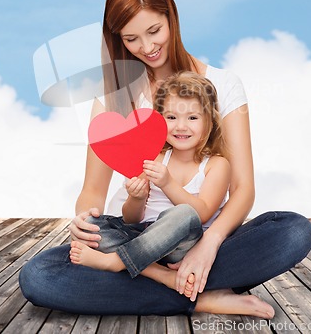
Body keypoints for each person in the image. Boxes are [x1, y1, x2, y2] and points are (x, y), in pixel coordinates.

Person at [19, 0, 311, 317]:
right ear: (117, 39)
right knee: (38, 276)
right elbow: (92, 192)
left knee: (293, 231)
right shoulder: (114, 94)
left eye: (154, 31)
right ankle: (199, 296)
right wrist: (85, 220)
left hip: (201, 236)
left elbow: (244, 189)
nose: (147, 47)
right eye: (131, 38)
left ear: (171, 17)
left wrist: (207, 245)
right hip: (131, 235)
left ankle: (173, 279)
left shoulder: (224, 84)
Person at [68, 72, 231, 299]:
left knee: (183, 214)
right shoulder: (155, 158)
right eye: (172, 117)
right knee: (91, 224)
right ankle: (159, 275)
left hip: (181, 246)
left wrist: (167, 183)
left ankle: (116, 262)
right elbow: (132, 219)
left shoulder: (216, 165)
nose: (181, 126)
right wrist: (135, 198)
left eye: (192, 118)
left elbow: (201, 214)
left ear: (210, 122)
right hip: (141, 238)